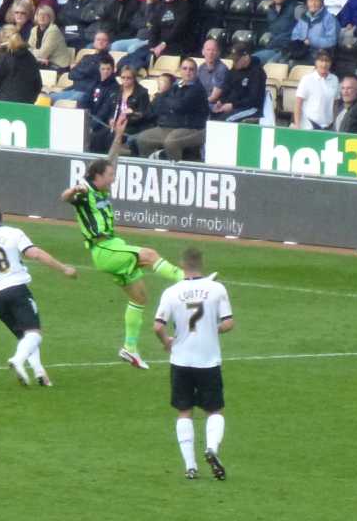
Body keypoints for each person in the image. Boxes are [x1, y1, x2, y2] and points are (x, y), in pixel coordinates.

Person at [62, 131, 187, 369]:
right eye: (110, 175)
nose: (113, 177)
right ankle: (189, 280)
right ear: (97, 177)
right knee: (149, 254)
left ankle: (129, 349)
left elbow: (109, 161)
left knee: (139, 297)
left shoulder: (100, 188)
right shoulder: (85, 191)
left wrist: (118, 135)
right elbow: (65, 197)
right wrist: (72, 191)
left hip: (114, 244)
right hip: (104, 249)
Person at [0, 202, 77, 387]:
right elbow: (34, 254)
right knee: (35, 334)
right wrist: (63, 268)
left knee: (25, 336)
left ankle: (40, 373)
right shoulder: (14, 233)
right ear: (1, 215)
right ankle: (18, 360)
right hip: (17, 290)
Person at [154, 247, 233, 481]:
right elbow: (229, 323)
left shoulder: (171, 292)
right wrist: (212, 328)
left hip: (181, 360)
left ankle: (190, 466)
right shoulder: (217, 289)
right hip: (208, 361)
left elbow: (158, 326)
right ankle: (212, 448)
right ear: (202, 263)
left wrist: (167, 342)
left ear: (182, 264)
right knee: (214, 410)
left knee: (184, 411)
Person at [136, 61, 211, 159]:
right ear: (180, 71)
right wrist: (168, 101)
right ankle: (152, 168)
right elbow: (159, 102)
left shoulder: (197, 89)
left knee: (171, 142)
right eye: (185, 68)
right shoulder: (176, 86)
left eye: (191, 69)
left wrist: (168, 101)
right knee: (143, 139)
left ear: (196, 72)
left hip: (191, 127)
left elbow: (180, 106)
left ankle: (174, 170)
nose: (188, 72)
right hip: (170, 125)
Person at [294, 49, 340, 128]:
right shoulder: (307, 79)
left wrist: (335, 124)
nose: (324, 64)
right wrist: (297, 125)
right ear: (316, 62)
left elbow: (335, 104)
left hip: (328, 127)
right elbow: (298, 103)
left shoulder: (335, 79)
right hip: (308, 126)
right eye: (321, 61)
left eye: (327, 61)